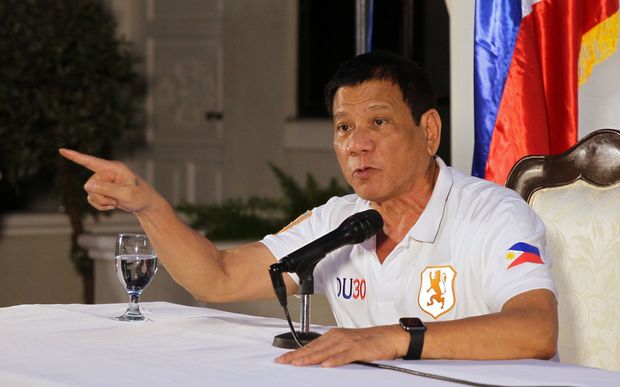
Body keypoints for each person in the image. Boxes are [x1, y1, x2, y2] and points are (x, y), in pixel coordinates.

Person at [60, 50, 558, 367]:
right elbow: (219, 278)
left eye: (378, 123)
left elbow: (536, 330)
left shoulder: (492, 213)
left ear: (428, 131)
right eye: (343, 128)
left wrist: (391, 338)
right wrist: (148, 204)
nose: (357, 145)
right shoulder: (337, 220)